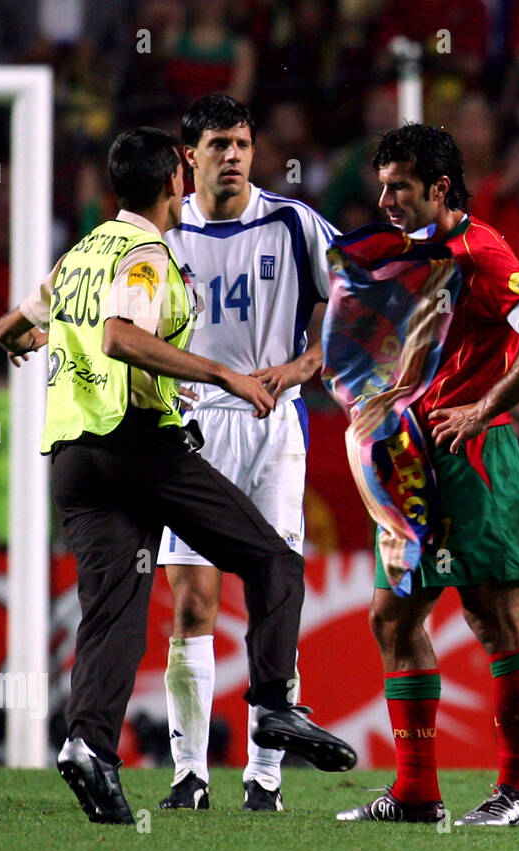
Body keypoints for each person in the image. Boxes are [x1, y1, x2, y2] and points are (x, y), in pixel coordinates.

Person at [0, 127, 354, 825]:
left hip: (72, 458)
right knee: (273, 561)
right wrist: (221, 371)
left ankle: (88, 745)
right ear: (174, 184)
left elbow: (12, 326)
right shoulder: (148, 253)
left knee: (114, 614)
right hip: (138, 446)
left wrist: (36, 339)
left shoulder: (82, 252)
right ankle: (275, 707)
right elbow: (122, 336)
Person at [334, 123, 519, 827]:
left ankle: (518, 795)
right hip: (409, 457)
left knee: (493, 616)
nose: (386, 199)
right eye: (382, 185)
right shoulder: (408, 255)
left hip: (471, 456)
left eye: (400, 186)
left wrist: (482, 407)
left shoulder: (483, 251)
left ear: (440, 188)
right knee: (392, 616)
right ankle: (415, 793)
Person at [157, 94, 338, 814]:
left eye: (241, 142)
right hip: (197, 428)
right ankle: (188, 775)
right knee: (193, 603)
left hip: (274, 426)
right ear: (188, 155)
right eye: (217, 144)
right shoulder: (164, 234)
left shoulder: (295, 223)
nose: (232, 155)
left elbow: (353, 314)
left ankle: (264, 778)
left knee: (274, 598)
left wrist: (299, 368)